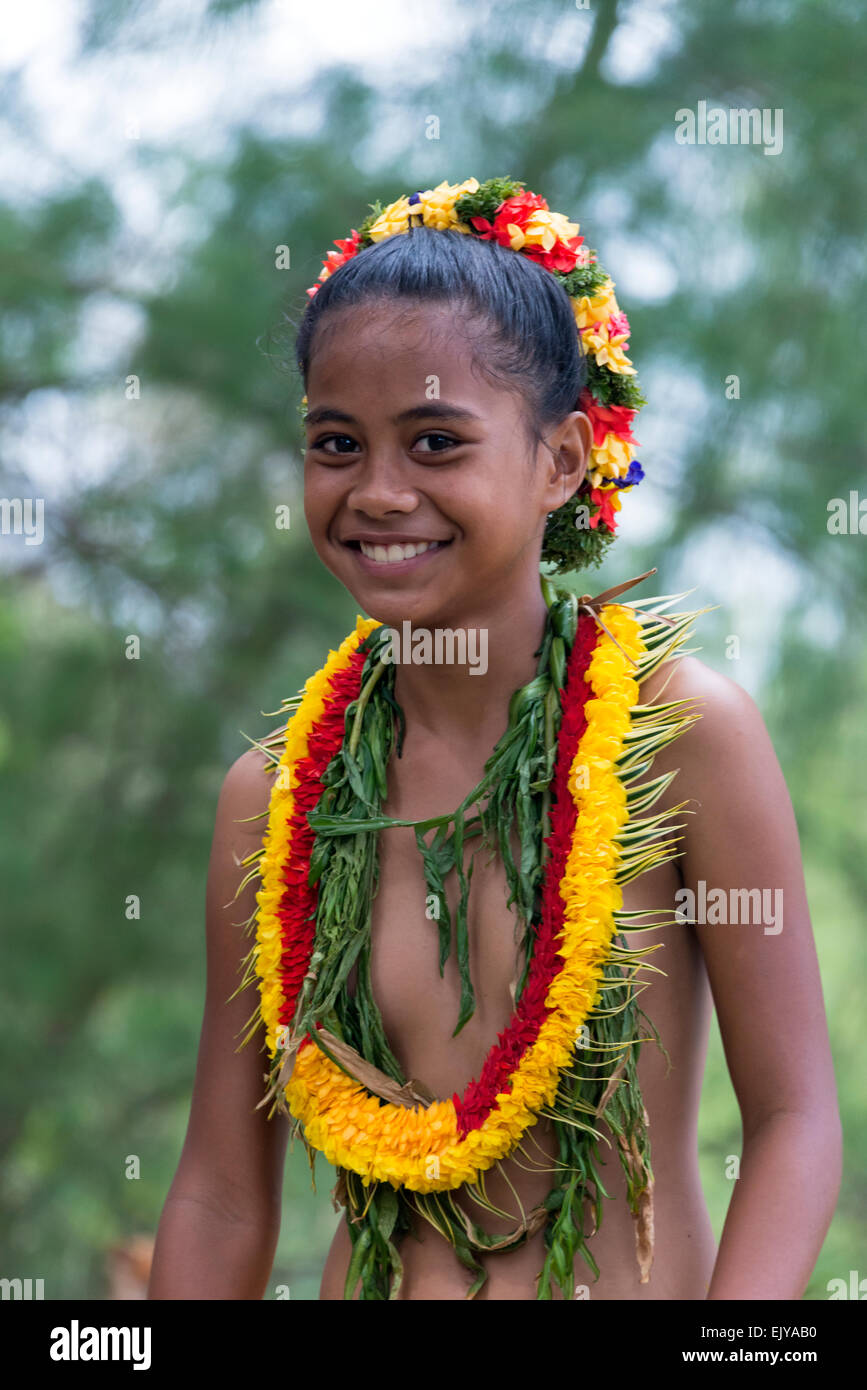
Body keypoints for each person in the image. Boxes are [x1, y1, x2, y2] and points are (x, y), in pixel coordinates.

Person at [148, 177, 842, 1302]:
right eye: (337, 443)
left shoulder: (677, 734)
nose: (378, 492)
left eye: (434, 441)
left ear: (562, 460)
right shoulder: (272, 799)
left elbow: (797, 1120)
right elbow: (221, 1190)